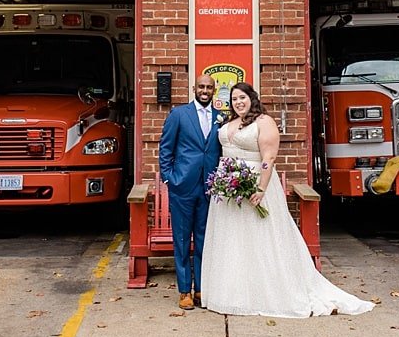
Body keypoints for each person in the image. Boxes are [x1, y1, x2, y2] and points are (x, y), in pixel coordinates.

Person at [201, 82, 375, 318]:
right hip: (228, 186)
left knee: (260, 238)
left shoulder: (264, 122)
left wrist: (261, 188)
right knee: (233, 240)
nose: (238, 103)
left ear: (252, 98)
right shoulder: (228, 123)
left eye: (242, 98)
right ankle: (234, 293)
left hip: (254, 182)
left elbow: (269, 157)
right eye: (234, 100)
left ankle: (267, 291)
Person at [159, 73, 223, 311]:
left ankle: (201, 289)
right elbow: (165, 149)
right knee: (183, 240)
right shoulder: (179, 114)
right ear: (194, 88)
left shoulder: (220, 117)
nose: (205, 90)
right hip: (183, 187)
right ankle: (185, 290)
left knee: (205, 241)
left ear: (214, 91)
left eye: (209, 87)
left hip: (209, 187)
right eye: (201, 86)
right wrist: (169, 178)